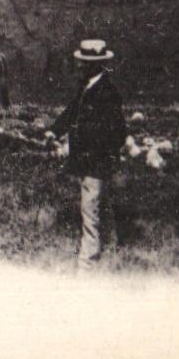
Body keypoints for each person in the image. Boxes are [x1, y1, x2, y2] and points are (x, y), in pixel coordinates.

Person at [50, 38, 127, 268]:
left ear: (97, 64)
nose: (81, 65)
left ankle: (87, 264)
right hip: (92, 161)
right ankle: (113, 249)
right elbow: (73, 110)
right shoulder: (89, 85)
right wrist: (54, 131)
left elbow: (119, 131)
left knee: (90, 212)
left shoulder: (106, 92)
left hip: (95, 162)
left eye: (85, 62)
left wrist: (92, 148)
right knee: (101, 206)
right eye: (82, 61)